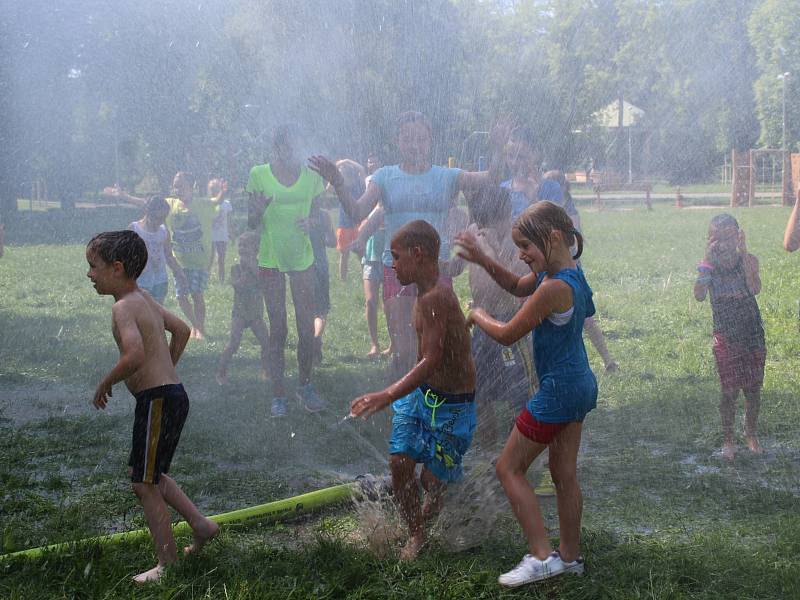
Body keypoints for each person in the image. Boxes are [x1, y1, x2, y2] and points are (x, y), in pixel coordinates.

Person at [455, 201, 596, 586]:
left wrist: (475, 313)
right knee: (563, 473)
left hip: (558, 391)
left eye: (526, 247)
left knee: (508, 467)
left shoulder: (552, 288)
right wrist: (484, 260)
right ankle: (570, 557)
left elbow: (506, 333)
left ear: (552, 238)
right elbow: (517, 286)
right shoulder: (572, 275)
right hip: (580, 384)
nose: (521, 255)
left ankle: (540, 555)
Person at [309, 111, 507, 380]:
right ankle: (406, 409)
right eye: (408, 139)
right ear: (397, 141)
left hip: (436, 272)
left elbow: (492, 178)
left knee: (435, 346)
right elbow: (357, 212)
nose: (415, 145)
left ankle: (429, 406)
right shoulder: (384, 177)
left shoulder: (447, 176)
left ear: (430, 141)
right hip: (398, 271)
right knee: (403, 351)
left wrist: (497, 148)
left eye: (421, 139)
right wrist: (339, 183)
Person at [86, 230, 218, 584]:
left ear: (116, 268)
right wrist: (169, 370)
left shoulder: (123, 307)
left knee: (143, 484)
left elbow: (134, 355)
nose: (90, 275)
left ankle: (168, 563)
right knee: (152, 475)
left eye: (93, 267)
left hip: (157, 399)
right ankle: (201, 525)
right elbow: (182, 330)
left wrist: (106, 382)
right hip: (171, 395)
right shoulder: (143, 298)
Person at [349, 220, 476, 560]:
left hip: (453, 406)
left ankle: (432, 506)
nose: (391, 265)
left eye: (396, 257)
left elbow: (431, 359)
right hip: (423, 398)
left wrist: (387, 394)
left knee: (432, 482)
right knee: (399, 461)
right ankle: (417, 534)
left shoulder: (436, 297)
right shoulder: (425, 291)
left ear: (418, 254)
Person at [247, 125, 326, 416]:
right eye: (286, 147)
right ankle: (278, 394)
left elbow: (320, 215)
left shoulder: (312, 176)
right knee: (278, 326)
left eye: (296, 146)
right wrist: (256, 211)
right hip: (271, 259)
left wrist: (313, 223)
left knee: (306, 326)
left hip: (302, 258)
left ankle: (305, 385)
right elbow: (251, 223)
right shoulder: (259, 174)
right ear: (277, 148)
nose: (291, 152)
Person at [452, 184, 536, 449]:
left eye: (494, 222)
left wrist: (491, 250)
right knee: (480, 392)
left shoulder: (516, 241)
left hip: (510, 324)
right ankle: (489, 450)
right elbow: (453, 268)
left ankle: (518, 450)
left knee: (518, 395)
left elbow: (517, 283)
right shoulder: (475, 235)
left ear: (507, 215)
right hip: (481, 326)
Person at [106, 172, 223, 339]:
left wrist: (223, 192)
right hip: (166, 267)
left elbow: (216, 202)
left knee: (189, 297)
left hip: (193, 263)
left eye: (181, 185)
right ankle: (185, 327)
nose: (177, 189)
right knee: (173, 298)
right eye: (175, 185)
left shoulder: (189, 211)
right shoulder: (164, 208)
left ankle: (195, 328)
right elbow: (144, 203)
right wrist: (124, 195)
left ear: (192, 186)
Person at [694, 214, 764, 460]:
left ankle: (751, 434)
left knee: (753, 389)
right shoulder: (708, 267)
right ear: (711, 240)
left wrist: (744, 253)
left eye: (730, 236)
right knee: (729, 391)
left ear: (739, 235)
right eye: (718, 238)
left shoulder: (749, 260)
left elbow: (754, 287)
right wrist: (706, 259)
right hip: (726, 334)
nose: (725, 243)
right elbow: (700, 295)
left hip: (752, 333)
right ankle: (728, 438)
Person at [544, 169, 617, 372]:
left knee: (585, 319)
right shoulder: (555, 212)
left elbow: (573, 245)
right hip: (561, 270)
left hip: (571, 271)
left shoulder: (569, 213)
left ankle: (608, 360)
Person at [216, 231, 270, 385]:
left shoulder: (261, 266)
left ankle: (266, 371)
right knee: (234, 343)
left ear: (256, 248)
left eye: (246, 245)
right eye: (240, 245)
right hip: (239, 313)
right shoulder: (235, 268)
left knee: (266, 342)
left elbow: (263, 282)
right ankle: (221, 373)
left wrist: (252, 266)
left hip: (255, 314)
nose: (242, 248)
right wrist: (244, 275)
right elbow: (237, 285)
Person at [127, 196, 184, 304]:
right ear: (148, 212)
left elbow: (168, 255)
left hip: (160, 280)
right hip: (140, 281)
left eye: (164, 218)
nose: (160, 222)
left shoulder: (163, 231)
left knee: (157, 313)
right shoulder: (134, 229)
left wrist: (179, 272)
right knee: (142, 313)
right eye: (158, 218)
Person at [309, 202, 335, 365]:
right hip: (321, 265)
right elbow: (332, 241)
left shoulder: (300, 210)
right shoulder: (324, 215)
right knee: (321, 310)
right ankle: (316, 337)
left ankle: (308, 341)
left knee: (308, 309)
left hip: (302, 265)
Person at [334, 159, 366, 280]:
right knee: (344, 255)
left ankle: (365, 277)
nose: (339, 172)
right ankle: (343, 280)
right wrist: (341, 163)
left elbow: (361, 169)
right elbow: (332, 170)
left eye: (342, 171)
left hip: (359, 224)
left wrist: (347, 160)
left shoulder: (359, 182)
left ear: (348, 172)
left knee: (362, 254)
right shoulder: (339, 186)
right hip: (344, 225)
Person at [209, 178, 232, 284]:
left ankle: (221, 279)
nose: (214, 191)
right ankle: (206, 278)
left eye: (216, 189)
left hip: (222, 235)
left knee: (221, 259)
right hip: (210, 236)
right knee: (209, 258)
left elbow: (230, 220)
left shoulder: (226, 204)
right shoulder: (209, 203)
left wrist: (232, 232)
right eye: (212, 189)